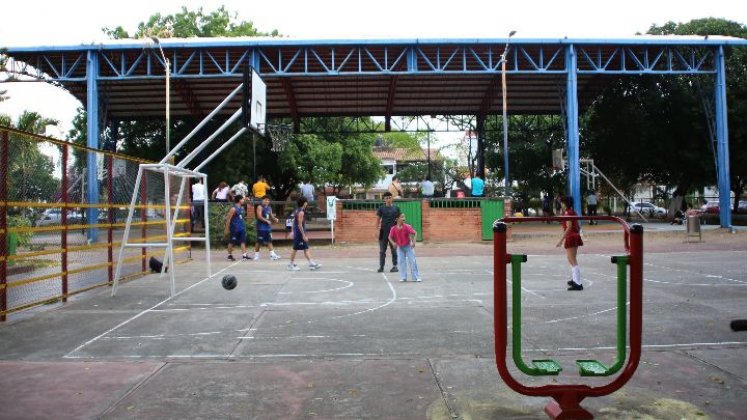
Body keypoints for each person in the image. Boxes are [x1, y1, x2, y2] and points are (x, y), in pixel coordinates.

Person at [556, 196, 584, 291]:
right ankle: (575, 279)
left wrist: (560, 240)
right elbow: (577, 226)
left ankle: (578, 283)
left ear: (565, 203)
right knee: (571, 258)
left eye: (562, 203)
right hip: (574, 236)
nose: (561, 204)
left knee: (572, 260)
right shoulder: (573, 212)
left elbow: (568, 227)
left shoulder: (567, 213)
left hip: (571, 236)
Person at [287, 197, 321, 271]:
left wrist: (292, 231)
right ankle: (290, 264)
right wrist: (303, 235)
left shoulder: (296, 210)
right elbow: (299, 225)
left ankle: (311, 263)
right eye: (306, 202)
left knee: (305, 248)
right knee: (295, 249)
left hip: (297, 232)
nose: (307, 203)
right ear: (304, 203)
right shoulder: (301, 212)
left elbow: (293, 222)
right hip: (299, 233)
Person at [388, 213, 420, 282]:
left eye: (404, 217)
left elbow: (415, 233)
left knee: (412, 261)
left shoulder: (407, 227)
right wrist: (393, 243)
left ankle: (416, 277)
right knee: (401, 262)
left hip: (408, 246)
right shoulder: (393, 229)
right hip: (400, 247)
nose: (404, 218)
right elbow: (389, 237)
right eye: (402, 217)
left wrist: (414, 241)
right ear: (397, 219)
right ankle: (403, 277)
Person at [376, 191, 401, 273]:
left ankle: (395, 266)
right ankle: (381, 267)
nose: (388, 199)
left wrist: (399, 229)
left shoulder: (396, 208)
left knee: (394, 250)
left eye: (390, 198)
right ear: (384, 199)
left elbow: (399, 220)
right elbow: (378, 219)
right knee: (382, 250)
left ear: (392, 198)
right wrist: (377, 230)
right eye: (386, 198)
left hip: (393, 233)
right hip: (383, 232)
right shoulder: (381, 208)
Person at [254, 196, 281, 260]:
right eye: (265, 200)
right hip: (261, 227)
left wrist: (275, 219)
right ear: (262, 200)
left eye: (268, 200)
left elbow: (271, 216)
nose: (266, 201)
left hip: (267, 227)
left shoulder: (269, 208)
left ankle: (272, 254)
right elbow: (259, 216)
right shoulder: (260, 207)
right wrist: (266, 221)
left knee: (269, 241)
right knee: (259, 241)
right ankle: (256, 255)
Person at [224, 195, 250, 261]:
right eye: (242, 199)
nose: (243, 201)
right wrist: (226, 229)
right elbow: (228, 219)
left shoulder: (241, 208)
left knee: (243, 241)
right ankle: (229, 256)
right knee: (231, 242)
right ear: (239, 200)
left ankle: (244, 255)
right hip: (234, 228)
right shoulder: (233, 209)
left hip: (241, 228)